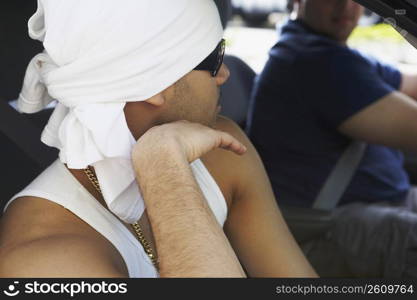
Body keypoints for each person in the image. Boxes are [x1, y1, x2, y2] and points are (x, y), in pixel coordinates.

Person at [0, 0, 317, 278]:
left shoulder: (221, 150)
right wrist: (162, 165)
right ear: (153, 83)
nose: (224, 75)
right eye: (214, 58)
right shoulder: (43, 259)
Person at [247, 0, 417, 277]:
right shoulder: (311, 61)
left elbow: (409, 85)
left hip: (378, 203)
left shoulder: (329, 52)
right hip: (324, 225)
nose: (346, 6)